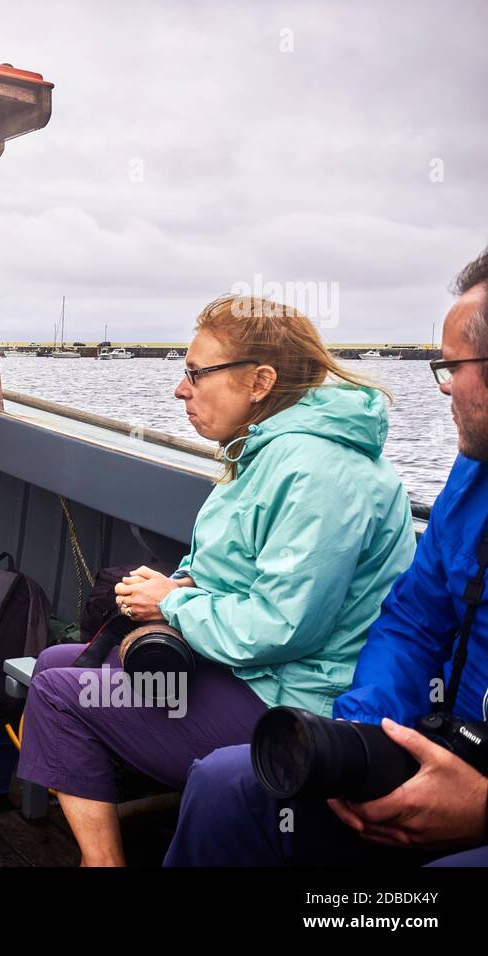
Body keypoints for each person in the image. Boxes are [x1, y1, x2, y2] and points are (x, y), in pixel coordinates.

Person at [16, 294, 416, 866]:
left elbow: (283, 627)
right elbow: (234, 576)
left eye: (195, 373)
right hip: (252, 671)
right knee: (58, 662)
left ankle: (102, 864)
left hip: (297, 702)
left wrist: (174, 608)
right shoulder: (267, 453)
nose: (182, 389)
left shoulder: (319, 472)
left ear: (260, 382)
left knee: (58, 693)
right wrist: (172, 589)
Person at [165, 249, 488, 867]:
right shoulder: (472, 479)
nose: (443, 384)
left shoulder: (317, 469)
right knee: (226, 789)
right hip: (437, 739)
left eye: (454, 366)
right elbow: (414, 622)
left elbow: (282, 623)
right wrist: (357, 738)